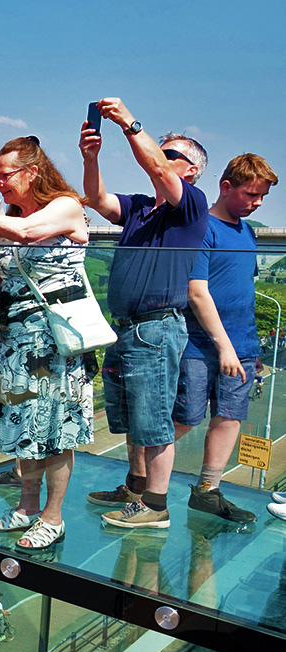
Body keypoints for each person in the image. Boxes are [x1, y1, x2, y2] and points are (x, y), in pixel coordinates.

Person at [0, 135, 93, 550]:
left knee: (55, 430)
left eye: (4, 176)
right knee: (23, 429)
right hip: (14, 341)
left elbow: (28, 234)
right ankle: (27, 508)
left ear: (32, 171)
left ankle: (53, 516)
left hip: (53, 342)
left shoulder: (65, 206)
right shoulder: (6, 216)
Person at [81, 98, 209, 529]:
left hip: (155, 329)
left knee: (153, 422)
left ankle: (155, 506)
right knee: (136, 419)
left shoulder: (191, 203)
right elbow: (96, 198)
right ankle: (135, 486)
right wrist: (91, 158)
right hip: (128, 329)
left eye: (172, 154)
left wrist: (130, 124)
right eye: (164, 151)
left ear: (190, 170)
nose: (163, 158)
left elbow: (156, 169)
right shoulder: (140, 207)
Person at [174, 154, 277, 523]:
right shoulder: (202, 228)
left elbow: (241, 290)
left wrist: (250, 348)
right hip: (201, 344)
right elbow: (196, 292)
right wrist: (225, 345)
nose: (258, 203)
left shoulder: (247, 232)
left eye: (262, 196)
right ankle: (142, 486)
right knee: (185, 417)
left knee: (229, 417)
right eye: (251, 194)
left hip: (242, 345)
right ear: (225, 187)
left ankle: (207, 492)